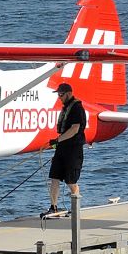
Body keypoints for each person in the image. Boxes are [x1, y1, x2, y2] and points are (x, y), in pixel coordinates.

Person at [42, 82, 86, 217]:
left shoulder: (77, 108)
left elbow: (74, 129)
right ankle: (53, 207)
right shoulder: (65, 107)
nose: (59, 97)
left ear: (68, 93)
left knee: (71, 180)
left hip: (73, 149)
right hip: (62, 147)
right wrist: (56, 144)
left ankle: (76, 208)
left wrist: (58, 140)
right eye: (58, 95)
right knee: (54, 177)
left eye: (61, 94)